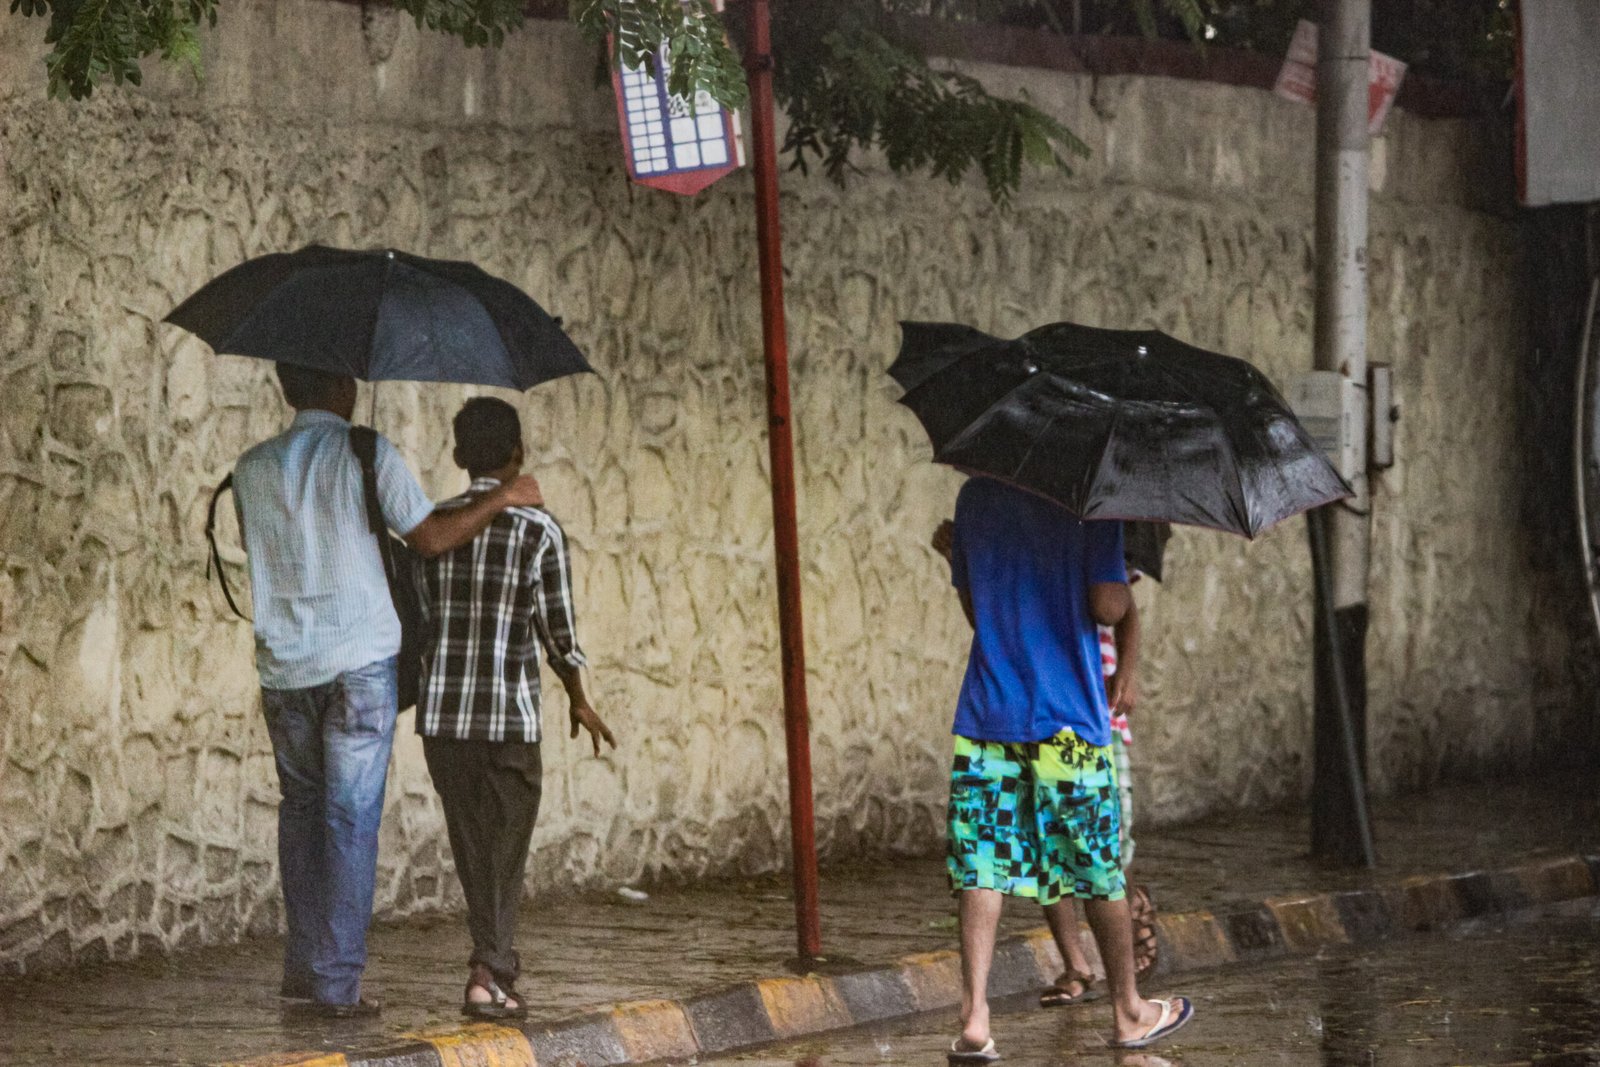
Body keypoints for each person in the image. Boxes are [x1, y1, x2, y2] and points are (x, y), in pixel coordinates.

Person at [232, 364, 545, 1017]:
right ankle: (336, 984)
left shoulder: (252, 466)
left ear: (288, 387)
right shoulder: (365, 451)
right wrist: (501, 498)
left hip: (284, 667)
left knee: (302, 813)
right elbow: (430, 537)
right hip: (357, 666)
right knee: (348, 819)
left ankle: (305, 967)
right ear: (342, 386)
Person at [936, 477, 1193, 1060]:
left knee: (982, 864)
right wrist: (1120, 592)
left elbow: (978, 612)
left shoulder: (975, 497)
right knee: (1097, 867)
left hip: (987, 715)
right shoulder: (1088, 504)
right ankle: (1129, 1011)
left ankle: (975, 1016)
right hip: (1067, 721)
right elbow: (1106, 604)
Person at [416, 397, 617, 1020]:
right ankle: (489, 973)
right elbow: (559, 632)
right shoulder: (539, 530)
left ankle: (492, 964)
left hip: (444, 719)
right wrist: (579, 699)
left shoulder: (432, 527)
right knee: (505, 850)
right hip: (508, 719)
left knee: (474, 848)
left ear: (456, 455)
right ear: (518, 455)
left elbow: (421, 619)